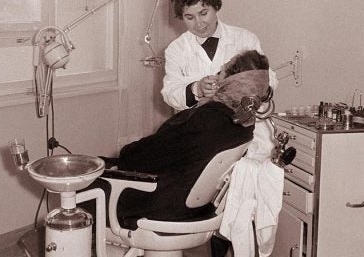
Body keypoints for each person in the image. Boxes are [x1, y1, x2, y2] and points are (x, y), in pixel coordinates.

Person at [110, 49, 272, 228]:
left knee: (88, 184)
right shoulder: (244, 122)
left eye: (222, 72)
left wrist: (123, 156)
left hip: (164, 205)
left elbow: (137, 158)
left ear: (232, 82)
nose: (217, 77)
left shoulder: (206, 118)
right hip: (197, 207)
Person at [161, 0, 277, 112]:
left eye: (203, 13)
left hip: (243, 125)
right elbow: (170, 93)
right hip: (199, 125)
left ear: (216, 7)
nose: (199, 23)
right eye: (190, 17)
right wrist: (197, 89)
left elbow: (270, 80)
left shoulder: (245, 39)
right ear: (182, 17)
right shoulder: (176, 49)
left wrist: (237, 86)